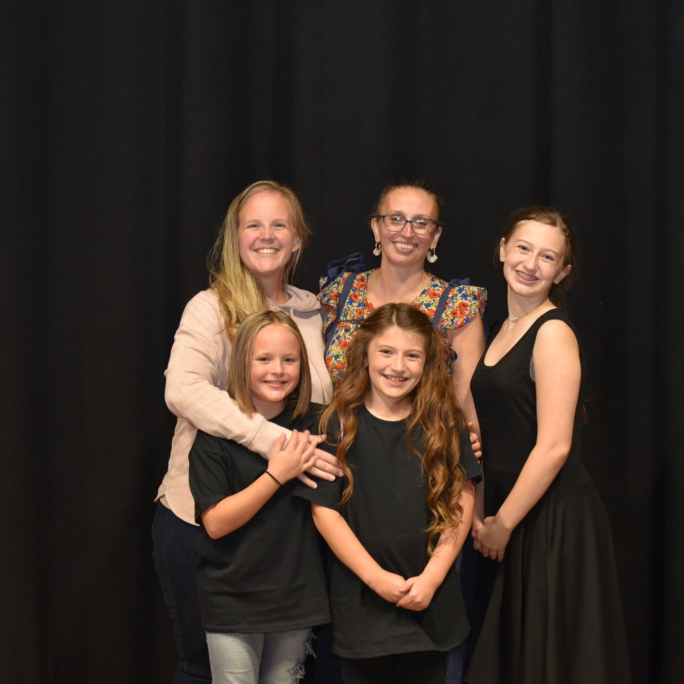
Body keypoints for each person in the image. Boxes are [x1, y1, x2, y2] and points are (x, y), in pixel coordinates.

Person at [152, 180, 337, 684]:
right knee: (202, 670)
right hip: (205, 519)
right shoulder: (209, 307)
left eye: (279, 224)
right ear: (235, 237)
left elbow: (331, 402)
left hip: (289, 533)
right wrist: (272, 441)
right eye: (253, 224)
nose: (266, 235)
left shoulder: (315, 311)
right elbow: (183, 391)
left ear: (298, 239)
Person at [465, 208, 631, 683]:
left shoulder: (552, 332)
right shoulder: (502, 328)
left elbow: (555, 447)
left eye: (547, 256)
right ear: (502, 249)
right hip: (506, 514)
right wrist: (481, 513)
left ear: (563, 272)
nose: (530, 264)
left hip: (548, 519)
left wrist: (502, 524)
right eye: (523, 248)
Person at [300, 303, 483, 684]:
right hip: (363, 609)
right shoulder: (336, 423)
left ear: (428, 362)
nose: (398, 366)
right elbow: (325, 513)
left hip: (428, 604)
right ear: (364, 355)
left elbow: (461, 499)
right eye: (386, 351)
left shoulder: (445, 422)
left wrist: (432, 578)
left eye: (412, 355)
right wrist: (376, 578)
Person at [189, 310, 331, 683]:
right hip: (234, 600)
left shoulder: (318, 424)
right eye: (263, 359)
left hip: (297, 597)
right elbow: (216, 523)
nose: (277, 370)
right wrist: (276, 475)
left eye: (289, 359)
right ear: (241, 363)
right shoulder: (214, 435)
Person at [318, 179, 486, 429]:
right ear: (376, 228)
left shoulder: (456, 306)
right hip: (341, 451)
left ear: (435, 236)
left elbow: (467, 408)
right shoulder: (339, 293)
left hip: (420, 457)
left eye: (421, 223)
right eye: (395, 219)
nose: (407, 232)